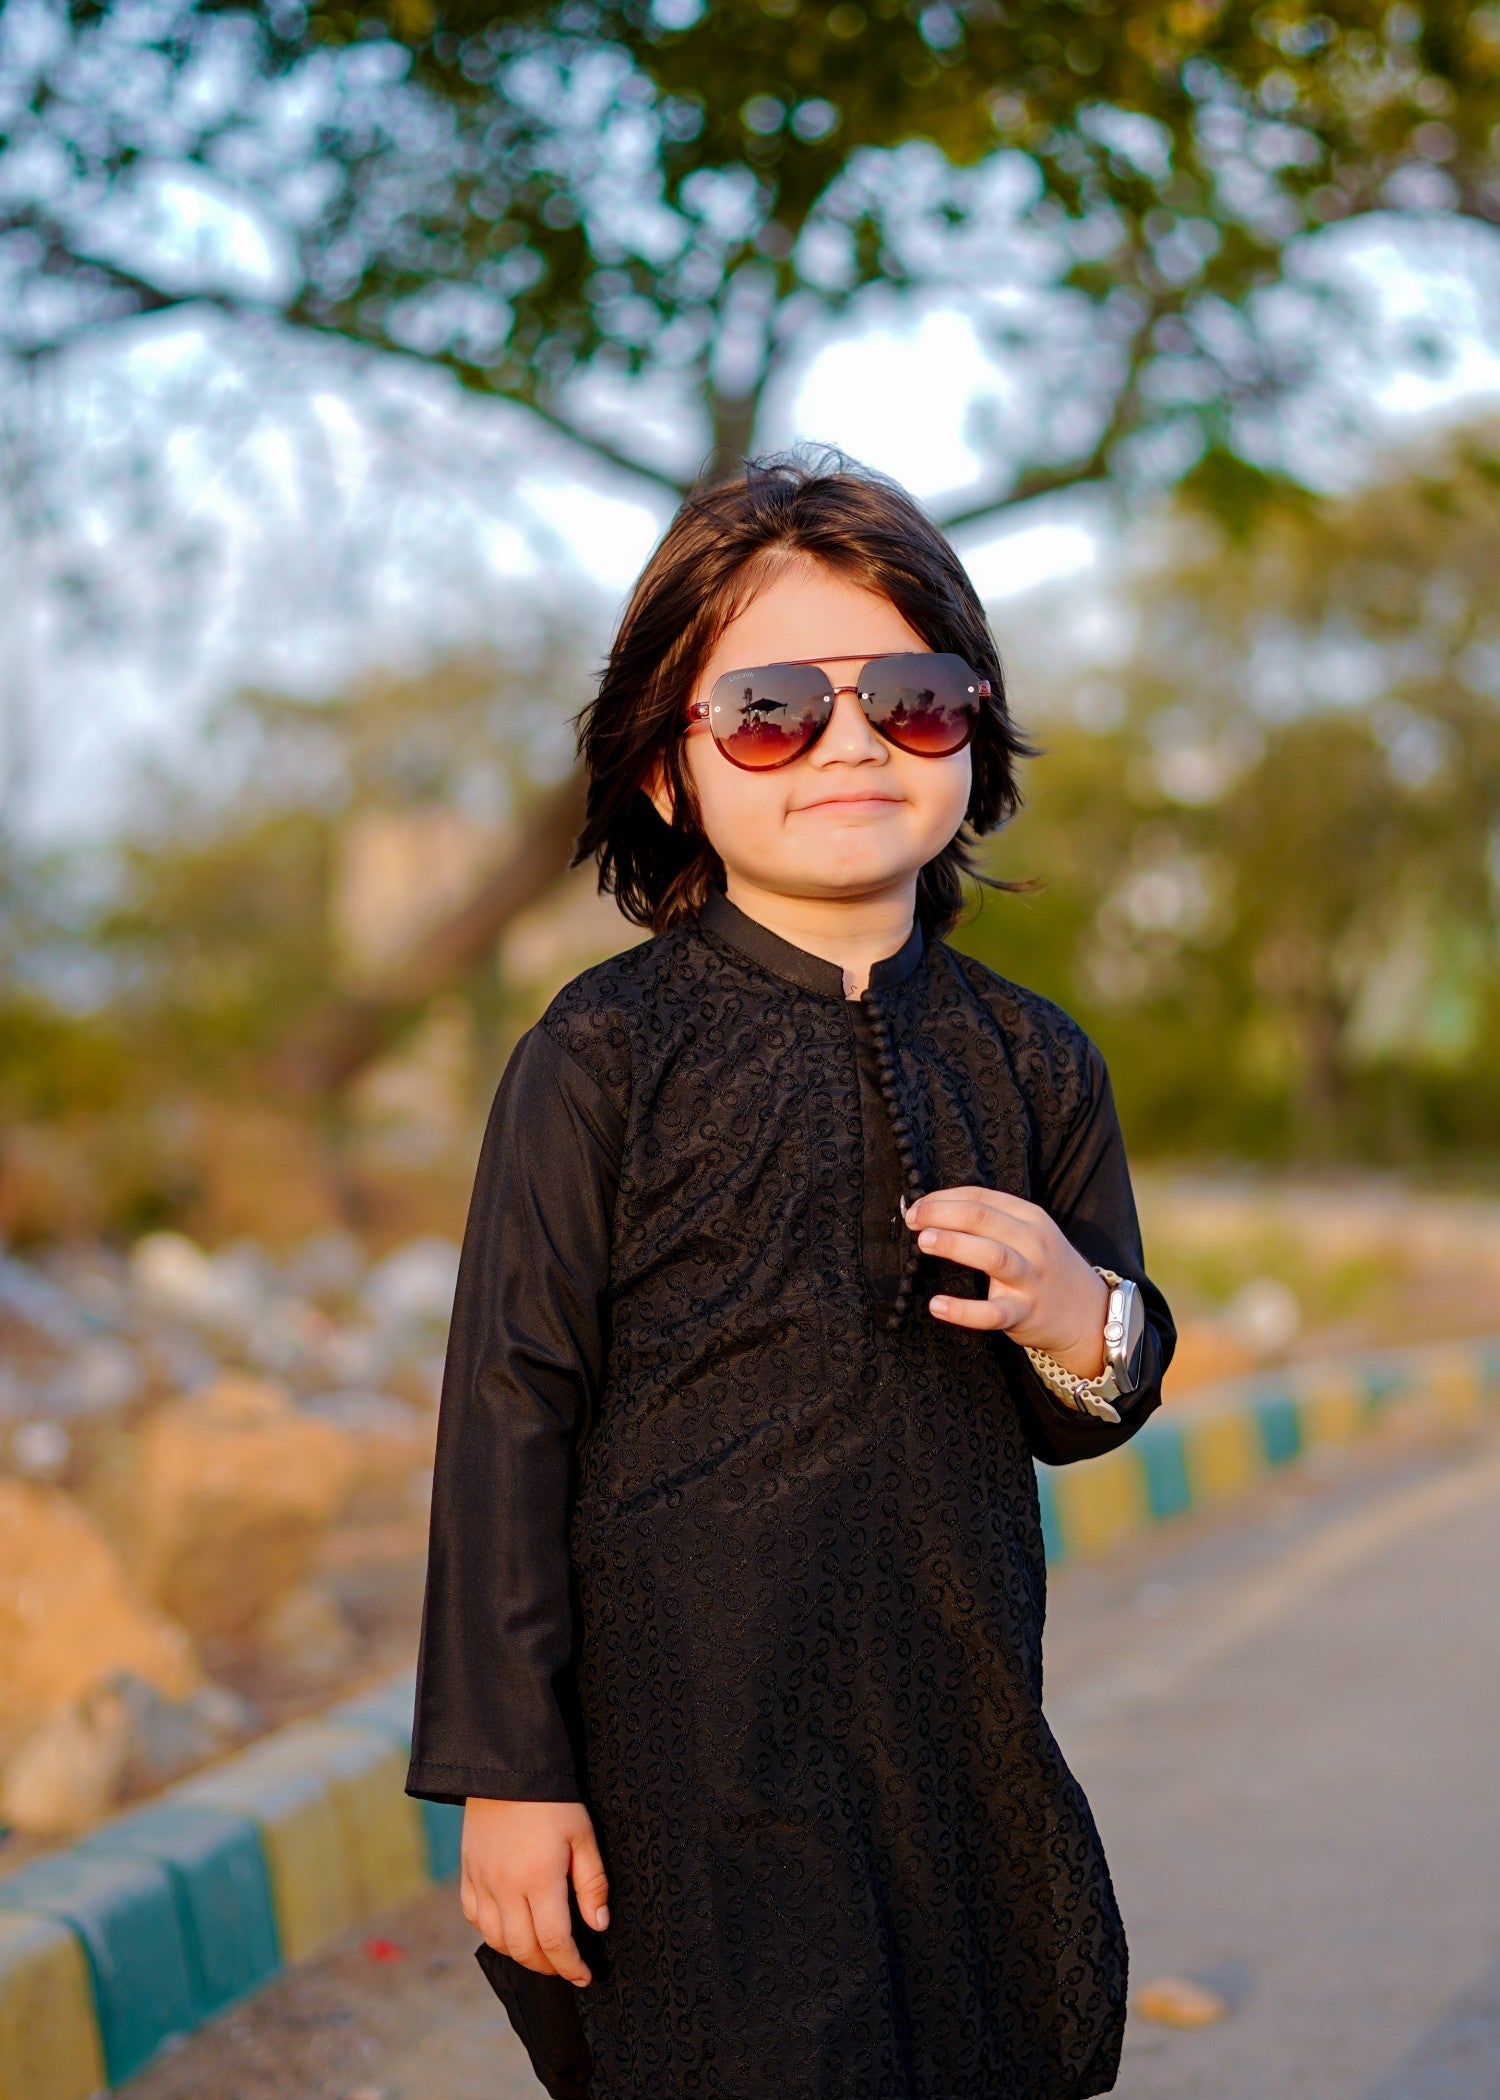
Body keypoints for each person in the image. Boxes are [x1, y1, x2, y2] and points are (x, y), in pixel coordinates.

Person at [405, 451, 1176, 2100]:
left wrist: (1076, 1310)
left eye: (908, 699)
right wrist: (510, 1773)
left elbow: (1095, 1405)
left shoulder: (1034, 1059)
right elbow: (508, 1414)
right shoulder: (603, 1056)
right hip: (688, 1742)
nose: (848, 745)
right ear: (668, 770)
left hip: (955, 1727)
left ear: (972, 727)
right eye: (769, 711)